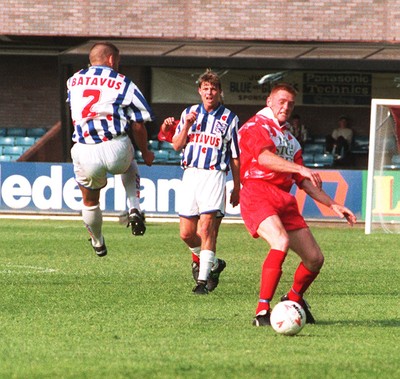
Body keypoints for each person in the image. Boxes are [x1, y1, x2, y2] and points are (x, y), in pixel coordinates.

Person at [237, 83, 357, 326]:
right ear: (269, 101)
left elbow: (303, 181)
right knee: (280, 242)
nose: (286, 106)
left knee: (315, 259)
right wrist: (299, 167)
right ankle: (262, 311)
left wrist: (333, 204)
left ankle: (293, 298)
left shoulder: (290, 137)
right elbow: (263, 158)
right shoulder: (254, 126)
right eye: (281, 101)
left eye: (290, 103)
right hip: (257, 192)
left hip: (283, 197)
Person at [66, 41, 155, 257]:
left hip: (85, 149)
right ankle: (134, 206)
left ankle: (97, 242)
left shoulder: (73, 81)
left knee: (90, 201)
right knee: (129, 161)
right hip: (115, 145)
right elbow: (138, 123)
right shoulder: (123, 82)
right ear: (112, 60)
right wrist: (145, 151)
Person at [172, 70, 240, 294]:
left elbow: (235, 156)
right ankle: (213, 262)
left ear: (219, 92)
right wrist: (186, 126)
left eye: (213, 89)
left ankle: (202, 282)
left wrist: (237, 187)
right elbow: (176, 145)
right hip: (190, 174)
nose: (209, 93)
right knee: (186, 233)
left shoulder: (230, 118)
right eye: (205, 89)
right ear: (199, 91)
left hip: (214, 175)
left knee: (207, 227)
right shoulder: (189, 113)